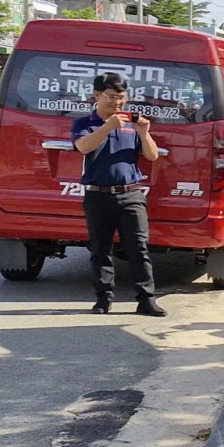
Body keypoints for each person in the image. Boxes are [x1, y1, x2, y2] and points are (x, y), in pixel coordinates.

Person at [71, 71, 167, 317]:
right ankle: (103, 299)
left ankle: (146, 299)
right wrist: (107, 127)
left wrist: (144, 133)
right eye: (112, 97)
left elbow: (152, 155)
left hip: (131, 194)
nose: (117, 103)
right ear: (97, 95)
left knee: (138, 248)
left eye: (122, 97)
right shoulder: (84, 123)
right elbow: (83, 146)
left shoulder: (131, 123)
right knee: (100, 249)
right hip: (97, 195)